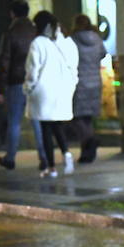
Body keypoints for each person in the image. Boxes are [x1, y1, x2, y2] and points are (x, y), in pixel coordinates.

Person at [24, 10, 79, 177]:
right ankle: (67, 154)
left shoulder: (38, 43)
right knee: (57, 125)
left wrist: (28, 87)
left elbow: (33, 70)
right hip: (62, 91)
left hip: (43, 92)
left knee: (45, 129)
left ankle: (51, 168)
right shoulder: (67, 43)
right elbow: (74, 66)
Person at [0, 0, 38, 170]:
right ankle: (44, 157)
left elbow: (4, 61)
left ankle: (10, 157)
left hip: (16, 82)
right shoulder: (36, 31)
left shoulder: (11, 33)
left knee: (14, 122)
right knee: (37, 121)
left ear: (12, 13)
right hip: (34, 82)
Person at [68, 14, 107, 163]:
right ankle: (87, 153)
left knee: (76, 117)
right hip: (95, 82)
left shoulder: (73, 40)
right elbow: (103, 54)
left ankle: (90, 140)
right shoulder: (97, 39)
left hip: (79, 82)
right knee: (87, 118)